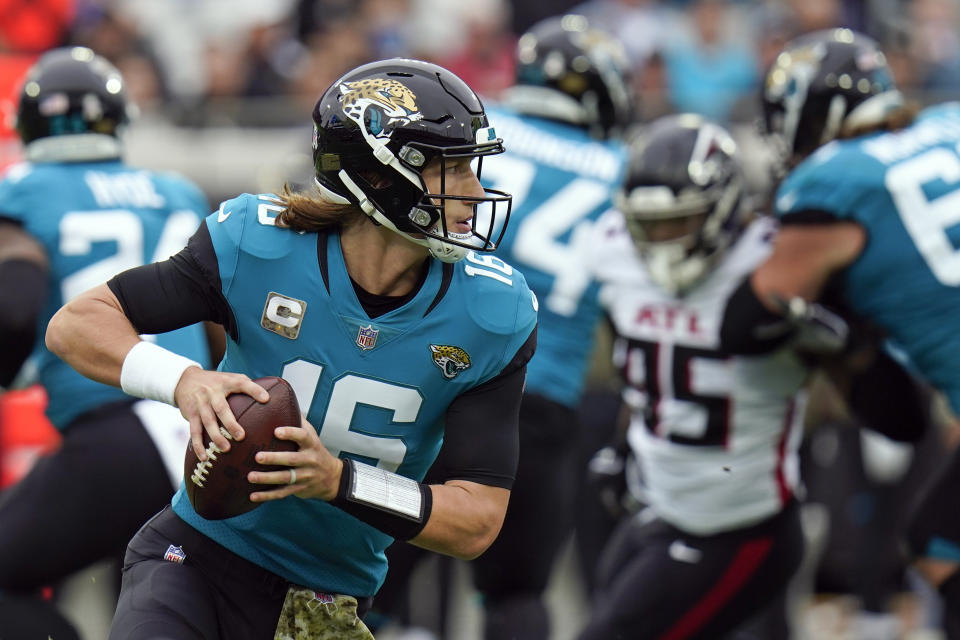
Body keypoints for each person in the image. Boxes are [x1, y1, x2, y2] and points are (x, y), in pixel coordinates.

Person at [46, 57, 538, 639]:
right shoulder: (260, 246)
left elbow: (477, 521)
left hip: (330, 599)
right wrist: (184, 380)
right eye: (454, 170)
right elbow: (76, 324)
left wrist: (337, 481)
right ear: (381, 175)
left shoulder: (490, 312)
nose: (476, 192)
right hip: (199, 558)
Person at [719, 27, 959, 637]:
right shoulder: (949, 122)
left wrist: (839, 337)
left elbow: (746, 319)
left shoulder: (834, 182)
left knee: (938, 542)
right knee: (938, 541)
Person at [0, 46, 215, 636]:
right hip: (202, 433)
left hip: (116, 429)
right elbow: (221, 329)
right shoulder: (177, 194)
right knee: (140, 608)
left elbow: (15, 309)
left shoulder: (21, 192)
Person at [575, 114, 807, 640]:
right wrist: (626, 442)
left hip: (740, 524)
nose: (659, 241)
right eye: (648, 225)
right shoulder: (614, 249)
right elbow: (639, 363)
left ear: (723, 209)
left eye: (677, 222)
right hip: (659, 502)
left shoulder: (774, 262)